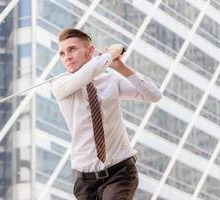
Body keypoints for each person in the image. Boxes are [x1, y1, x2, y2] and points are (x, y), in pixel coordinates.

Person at [51, 28, 162, 200]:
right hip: (85, 181)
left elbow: (154, 95)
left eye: (72, 49)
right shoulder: (61, 85)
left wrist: (120, 66)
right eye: (62, 53)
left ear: (90, 51)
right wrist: (109, 56)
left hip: (120, 172)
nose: (66, 56)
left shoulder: (111, 80)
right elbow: (87, 74)